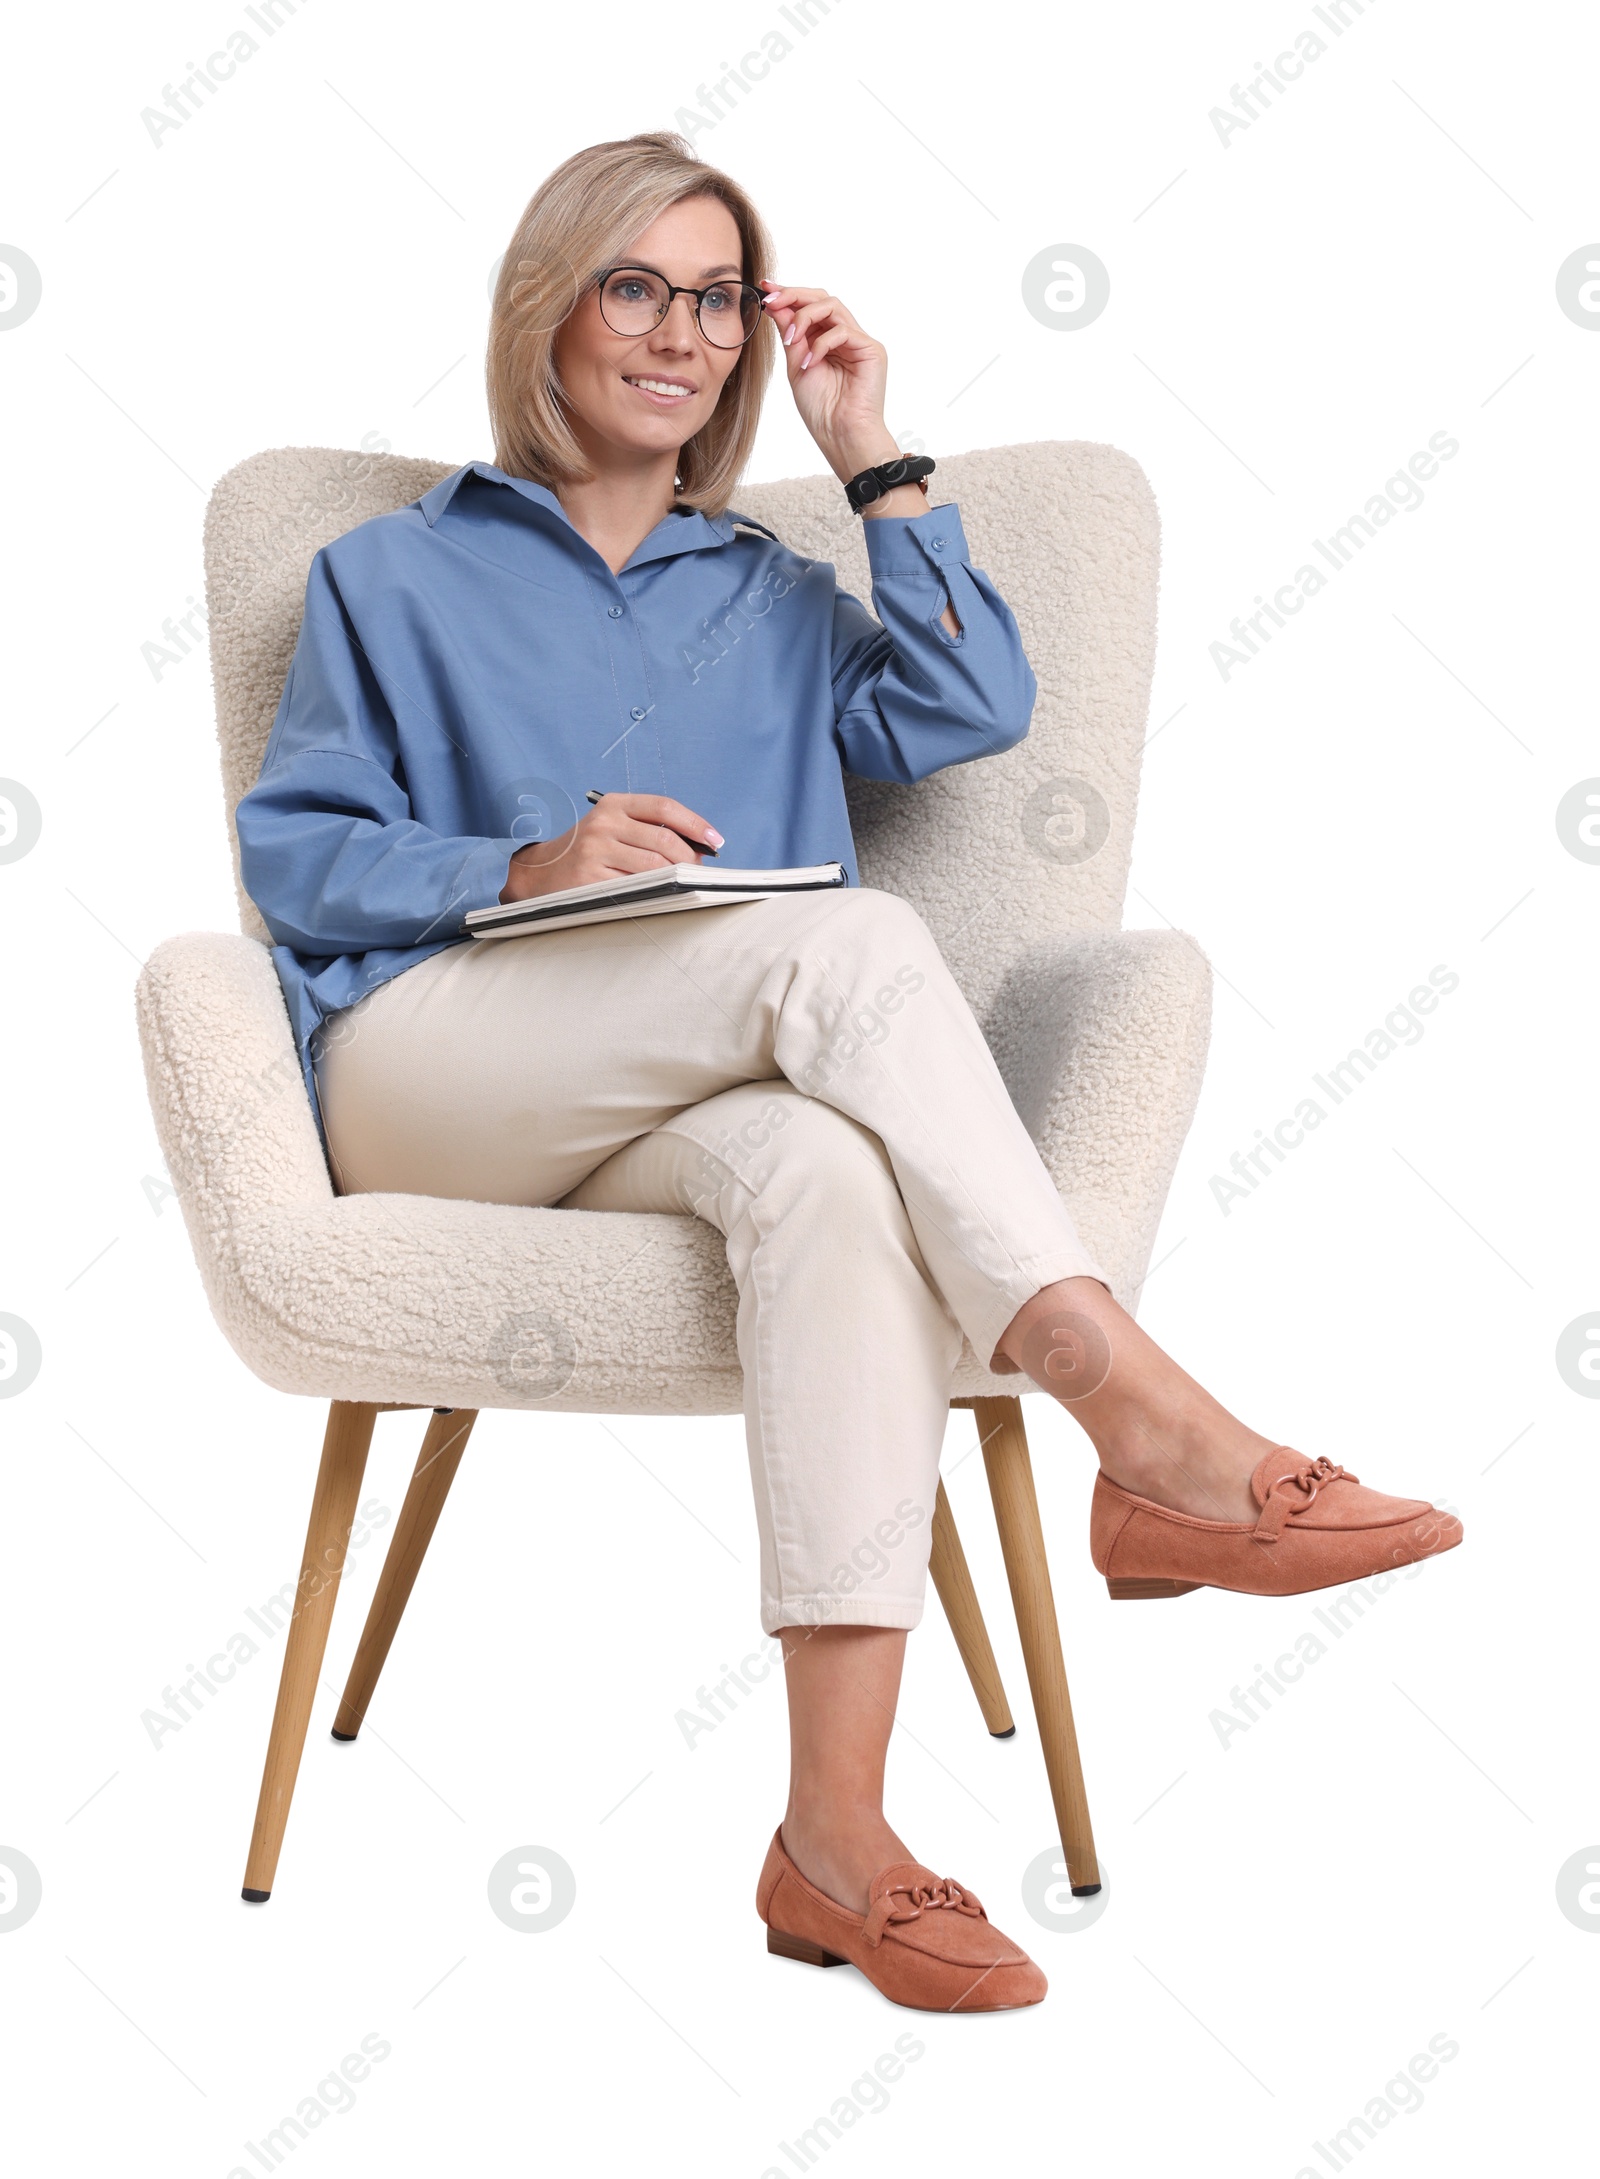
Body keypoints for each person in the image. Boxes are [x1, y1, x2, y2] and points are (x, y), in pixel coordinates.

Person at [234, 131, 1462, 2013]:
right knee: (858, 939)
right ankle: (1135, 1415)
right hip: (441, 1071)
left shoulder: (774, 588)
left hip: (691, 1090)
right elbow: (296, 855)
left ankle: (834, 1843)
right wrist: (525, 862)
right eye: (635, 286)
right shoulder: (386, 574)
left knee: (820, 1179)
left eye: (717, 296)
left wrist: (868, 452)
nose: (683, 332)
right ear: (545, 311)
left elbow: (975, 708)